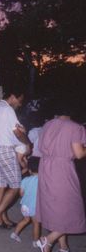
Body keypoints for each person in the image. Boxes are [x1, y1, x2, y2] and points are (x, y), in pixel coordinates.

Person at [35, 102, 86, 252]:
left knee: (56, 208)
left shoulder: (48, 124)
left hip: (45, 167)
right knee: (72, 209)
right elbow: (79, 153)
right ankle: (47, 240)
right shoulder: (75, 127)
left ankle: (63, 247)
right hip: (62, 169)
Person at [0, 87, 31, 229]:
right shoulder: (8, 110)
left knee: (2, 185)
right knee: (15, 185)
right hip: (5, 151)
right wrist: (27, 142)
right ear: (12, 96)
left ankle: (2, 218)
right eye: (19, 100)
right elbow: (18, 133)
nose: (20, 104)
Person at [9, 159, 40, 248]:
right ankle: (35, 241)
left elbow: (21, 193)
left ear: (29, 170)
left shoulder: (25, 179)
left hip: (24, 206)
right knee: (36, 223)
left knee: (25, 220)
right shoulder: (42, 181)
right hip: (34, 206)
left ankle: (15, 234)